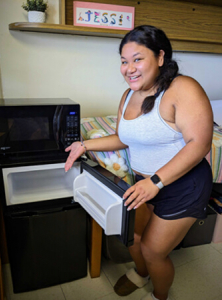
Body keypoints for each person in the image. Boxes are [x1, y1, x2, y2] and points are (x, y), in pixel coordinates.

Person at [64, 25, 213, 300]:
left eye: (137, 59)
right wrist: (83, 145)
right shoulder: (128, 95)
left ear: (160, 57)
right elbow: (123, 137)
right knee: (132, 237)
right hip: (147, 183)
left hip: (184, 185)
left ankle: (159, 295)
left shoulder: (183, 88)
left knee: (153, 250)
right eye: (123, 61)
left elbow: (199, 144)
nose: (128, 68)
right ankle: (142, 273)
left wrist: (156, 182)